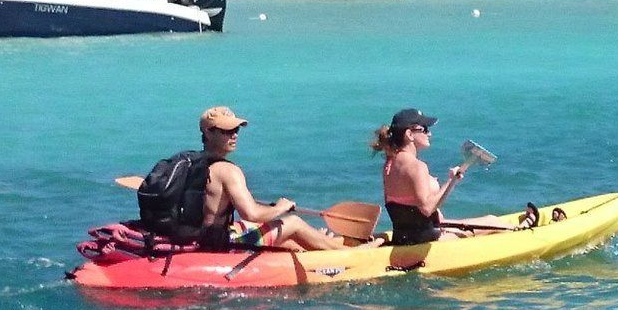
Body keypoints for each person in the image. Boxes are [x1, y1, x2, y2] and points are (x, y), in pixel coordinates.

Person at [185, 106, 345, 251]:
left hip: (199, 237)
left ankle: (324, 242)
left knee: (253, 227)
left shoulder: (192, 163)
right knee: (293, 222)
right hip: (221, 245)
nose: (234, 136)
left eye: (236, 130)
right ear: (208, 132)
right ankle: (348, 254)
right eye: (226, 131)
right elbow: (252, 214)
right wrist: (281, 207)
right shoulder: (228, 171)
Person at [375, 108, 468, 244]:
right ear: (409, 134)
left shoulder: (389, 164)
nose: (429, 134)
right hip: (426, 240)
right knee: (491, 220)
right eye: (424, 129)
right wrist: (451, 181)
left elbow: (404, 206)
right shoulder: (417, 166)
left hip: (402, 238)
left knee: (483, 221)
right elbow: (427, 208)